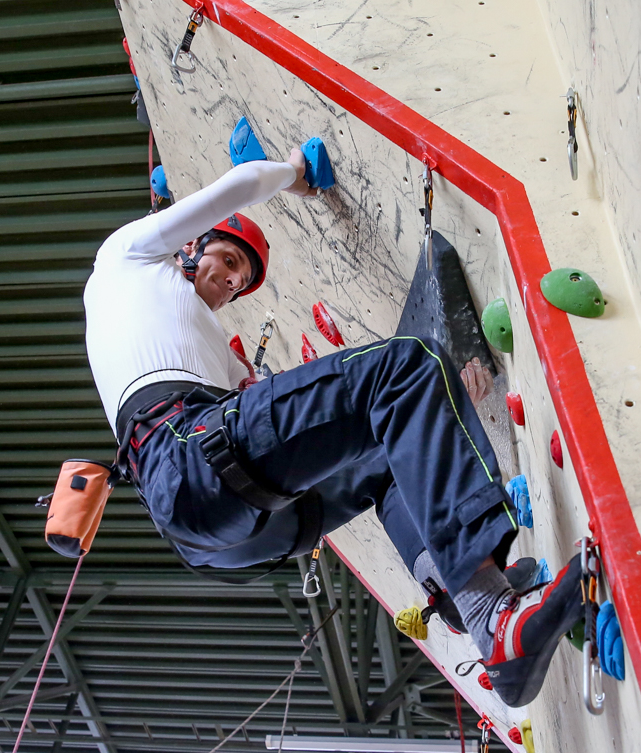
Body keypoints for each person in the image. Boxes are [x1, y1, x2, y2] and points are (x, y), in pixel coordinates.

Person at [82, 147, 582, 707]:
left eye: (239, 280)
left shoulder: (207, 346)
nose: (228, 281)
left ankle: (470, 600)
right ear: (191, 248)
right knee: (407, 369)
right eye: (225, 260)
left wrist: (432, 413)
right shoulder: (128, 257)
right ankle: (496, 618)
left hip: (223, 531)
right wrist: (296, 174)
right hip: (192, 456)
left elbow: (284, 409)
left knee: (392, 454)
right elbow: (240, 185)